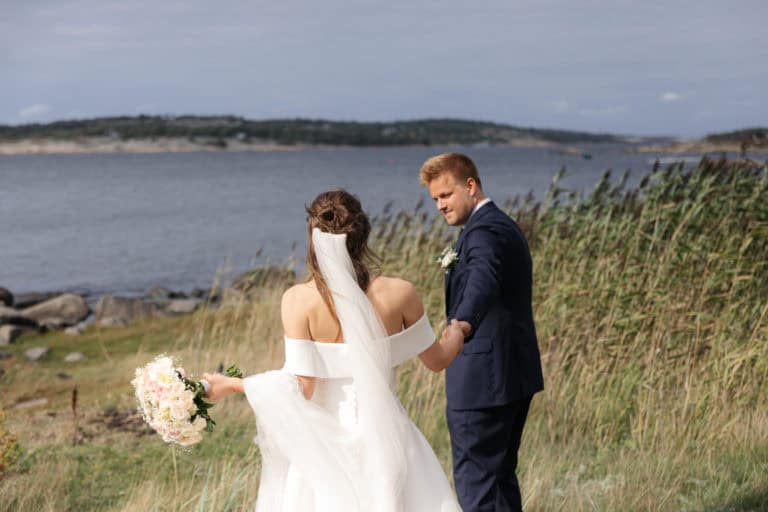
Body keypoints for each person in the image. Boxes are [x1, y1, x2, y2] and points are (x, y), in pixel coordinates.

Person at [203, 190, 464, 511]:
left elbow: (303, 387)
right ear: (363, 233)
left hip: (324, 452)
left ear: (313, 239)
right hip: (389, 442)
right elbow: (438, 361)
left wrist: (230, 384)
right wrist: (460, 331)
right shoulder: (401, 293)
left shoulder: (298, 300)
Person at [420, 153, 544, 511]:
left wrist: (462, 323)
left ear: (470, 186)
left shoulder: (485, 232)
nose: (440, 206)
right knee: (499, 480)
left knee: (478, 489)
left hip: (483, 383)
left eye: (446, 195)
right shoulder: (500, 225)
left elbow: (482, 280)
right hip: (510, 376)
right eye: (435, 200)